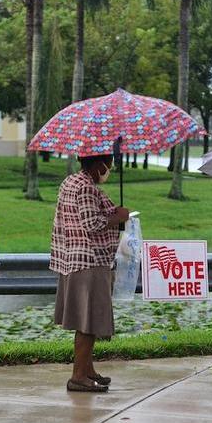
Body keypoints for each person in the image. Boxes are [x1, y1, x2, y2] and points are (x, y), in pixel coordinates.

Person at [51, 154, 129, 392]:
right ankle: (78, 376)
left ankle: (87, 369)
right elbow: (92, 223)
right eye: (109, 165)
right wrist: (119, 217)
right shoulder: (86, 188)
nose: (109, 170)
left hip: (73, 259)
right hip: (89, 262)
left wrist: (113, 213)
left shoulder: (70, 182)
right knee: (87, 322)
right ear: (98, 165)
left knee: (88, 321)